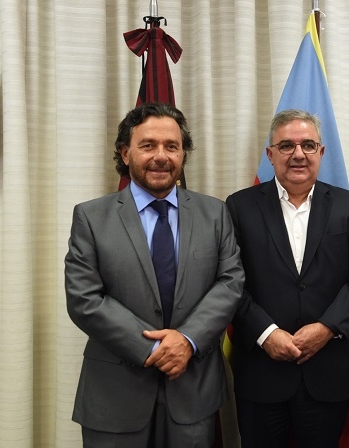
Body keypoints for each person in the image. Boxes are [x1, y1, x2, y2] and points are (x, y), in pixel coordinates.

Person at [65, 102, 245, 447]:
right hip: (114, 396)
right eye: (148, 145)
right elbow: (84, 299)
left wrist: (187, 340)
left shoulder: (215, 213)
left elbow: (230, 282)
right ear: (126, 153)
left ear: (183, 154)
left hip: (193, 393)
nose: (161, 156)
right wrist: (155, 348)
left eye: (171, 146)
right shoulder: (91, 217)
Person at [225, 109, 349, 448]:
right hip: (262, 370)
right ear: (270, 154)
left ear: (321, 152)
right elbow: (229, 281)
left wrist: (326, 328)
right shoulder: (238, 207)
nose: (298, 154)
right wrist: (267, 333)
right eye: (286, 145)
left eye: (308, 145)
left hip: (327, 370)